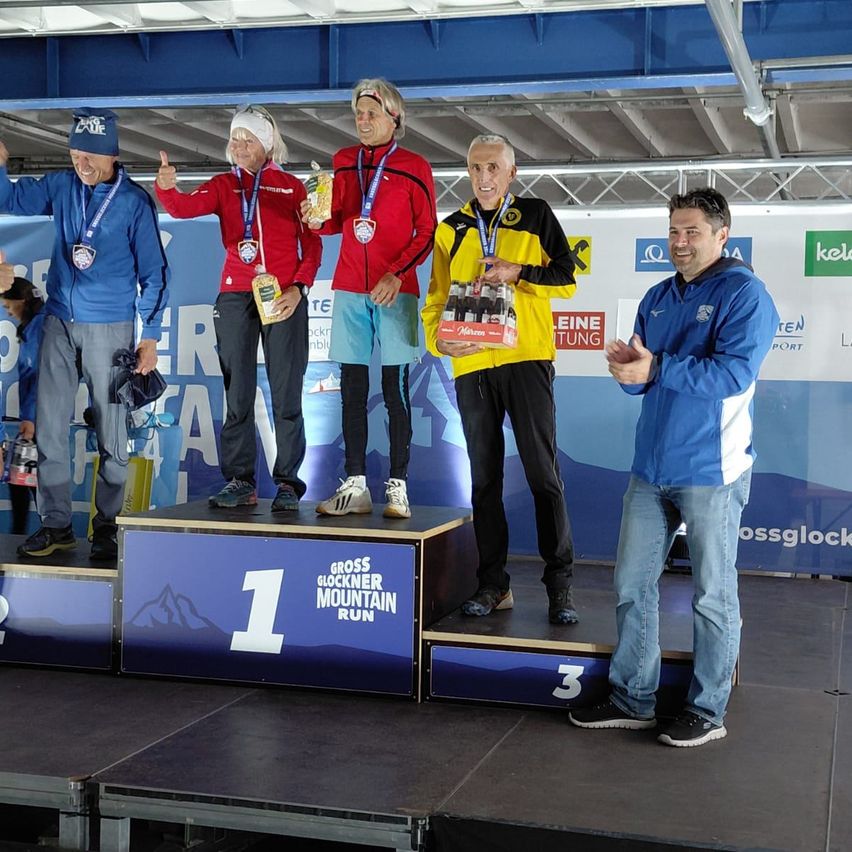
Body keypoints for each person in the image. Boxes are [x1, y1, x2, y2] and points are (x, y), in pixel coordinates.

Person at [569, 188, 779, 746]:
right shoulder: (657, 295)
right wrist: (629, 374)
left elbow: (732, 376)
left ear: (721, 235)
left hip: (713, 468)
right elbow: (646, 379)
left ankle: (707, 709)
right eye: (674, 232)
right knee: (631, 585)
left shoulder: (746, 295)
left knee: (713, 592)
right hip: (650, 466)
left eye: (692, 232)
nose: (679, 243)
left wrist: (656, 367)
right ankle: (633, 697)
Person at [421, 134, 580, 625]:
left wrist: (518, 271)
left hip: (526, 359)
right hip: (471, 367)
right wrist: (438, 342)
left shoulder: (535, 214)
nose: (483, 177)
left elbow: (568, 278)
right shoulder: (451, 229)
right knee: (484, 481)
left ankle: (560, 587)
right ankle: (493, 585)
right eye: (474, 168)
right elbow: (435, 300)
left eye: (493, 168)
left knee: (542, 475)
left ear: (511, 173)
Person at [0, 108, 170, 561]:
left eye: (91, 155)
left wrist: (149, 336)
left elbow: (155, 275)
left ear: (112, 155)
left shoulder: (133, 202)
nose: (82, 163)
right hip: (57, 320)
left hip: (110, 328)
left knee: (113, 436)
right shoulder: (61, 186)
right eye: (76, 153)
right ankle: (56, 525)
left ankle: (108, 527)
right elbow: (12, 201)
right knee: (51, 430)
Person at [156, 105, 321, 512]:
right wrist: (165, 188)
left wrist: (299, 288)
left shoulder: (292, 188)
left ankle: (287, 483)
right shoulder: (222, 185)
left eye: (248, 139)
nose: (240, 146)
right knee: (238, 391)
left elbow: (313, 244)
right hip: (235, 294)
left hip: (283, 295)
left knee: (287, 391)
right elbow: (180, 208)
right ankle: (240, 480)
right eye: (235, 138)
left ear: (266, 143)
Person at [302, 78, 436, 520]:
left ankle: (397, 485)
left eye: (372, 114)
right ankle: (355, 484)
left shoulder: (415, 166)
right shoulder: (343, 161)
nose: (362, 121)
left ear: (394, 119)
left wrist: (397, 274)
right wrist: (314, 217)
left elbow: (427, 231)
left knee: (395, 389)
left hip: (396, 289)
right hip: (348, 287)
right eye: (358, 114)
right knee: (352, 389)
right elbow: (336, 221)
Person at [0, 277, 44, 534]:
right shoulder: (30, 328)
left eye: (9, 306)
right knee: (20, 477)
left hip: (41, 417)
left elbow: (42, 376)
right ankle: (20, 534)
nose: (8, 312)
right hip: (35, 416)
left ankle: (55, 529)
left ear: (23, 300)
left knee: (35, 479)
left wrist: (30, 418)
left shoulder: (40, 326)